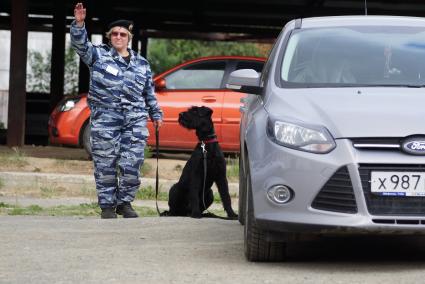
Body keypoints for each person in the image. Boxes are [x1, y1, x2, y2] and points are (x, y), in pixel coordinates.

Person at [71, 3, 163, 219]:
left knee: (133, 163)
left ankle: (125, 202)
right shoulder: (98, 56)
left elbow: (149, 92)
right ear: (109, 37)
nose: (119, 37)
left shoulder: (142, 64)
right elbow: (80, 44)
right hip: (106, 118)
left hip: (134, 120)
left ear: (129, 37)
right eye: (115, 34)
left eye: (123, 34)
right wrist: (79, 24)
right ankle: (107, 206)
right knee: (105, 163)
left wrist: (156, 114)